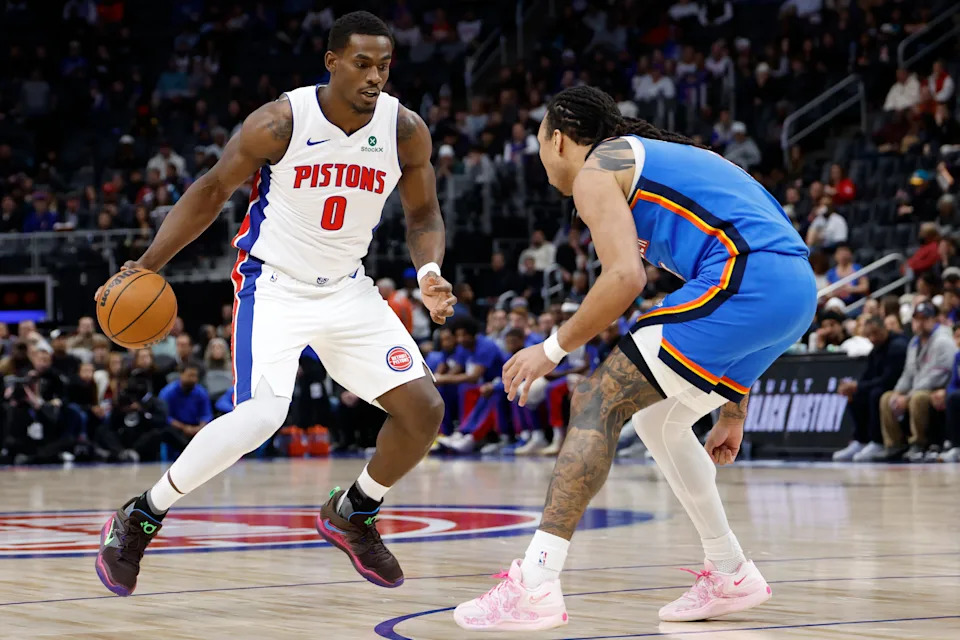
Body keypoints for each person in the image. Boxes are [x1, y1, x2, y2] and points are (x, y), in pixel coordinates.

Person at [94, 12, 456, 598]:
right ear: (331, 61)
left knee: (425, 412)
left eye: (383, 65)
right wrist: (148, 264)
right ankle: (140, 516)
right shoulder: (281, 121)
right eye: (361, 64)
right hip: (274, 284)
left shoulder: (405, 130)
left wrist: (430, 271)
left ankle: (354, 511)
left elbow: (422, 214)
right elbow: (212, 189)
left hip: (347, 287)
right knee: (263, 416)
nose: (374, 76)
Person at [455, 85, 815, 630]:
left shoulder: (600, 167)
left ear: (557, 138)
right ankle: (730, 572)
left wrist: (550, 350)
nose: (539, 155)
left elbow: (625, 278)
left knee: (597, 398)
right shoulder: (650, 163)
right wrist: (734, 409)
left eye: (537, 142)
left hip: (748, 277)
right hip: (792, 293)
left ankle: (535, 584)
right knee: (657, 420)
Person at [879, 301, 957, 461]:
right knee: (887, 398)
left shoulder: (943, 341)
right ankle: (894, 444)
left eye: (925, 318)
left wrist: (907, 396)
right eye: (917, 318)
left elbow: (937, 376)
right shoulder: (914, 342)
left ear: (933, 320)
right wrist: (898, 392)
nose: (920, 322)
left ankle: (918, 443)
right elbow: (908, 373)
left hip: (939, 388)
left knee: (918, 398)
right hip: (918, 387)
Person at [833, 316, 909, 462]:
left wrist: (859, 386)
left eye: (875, 333)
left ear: (884, 329)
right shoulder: (876, 348)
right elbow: (867, 375)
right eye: (869, 335)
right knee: (856, 395)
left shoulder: (897, 346)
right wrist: (853, 387)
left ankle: (878, 442)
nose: (873, 338)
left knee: (876, 394)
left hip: (898, 388)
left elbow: (888, 380)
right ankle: (861, 440)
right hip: (882, 385)